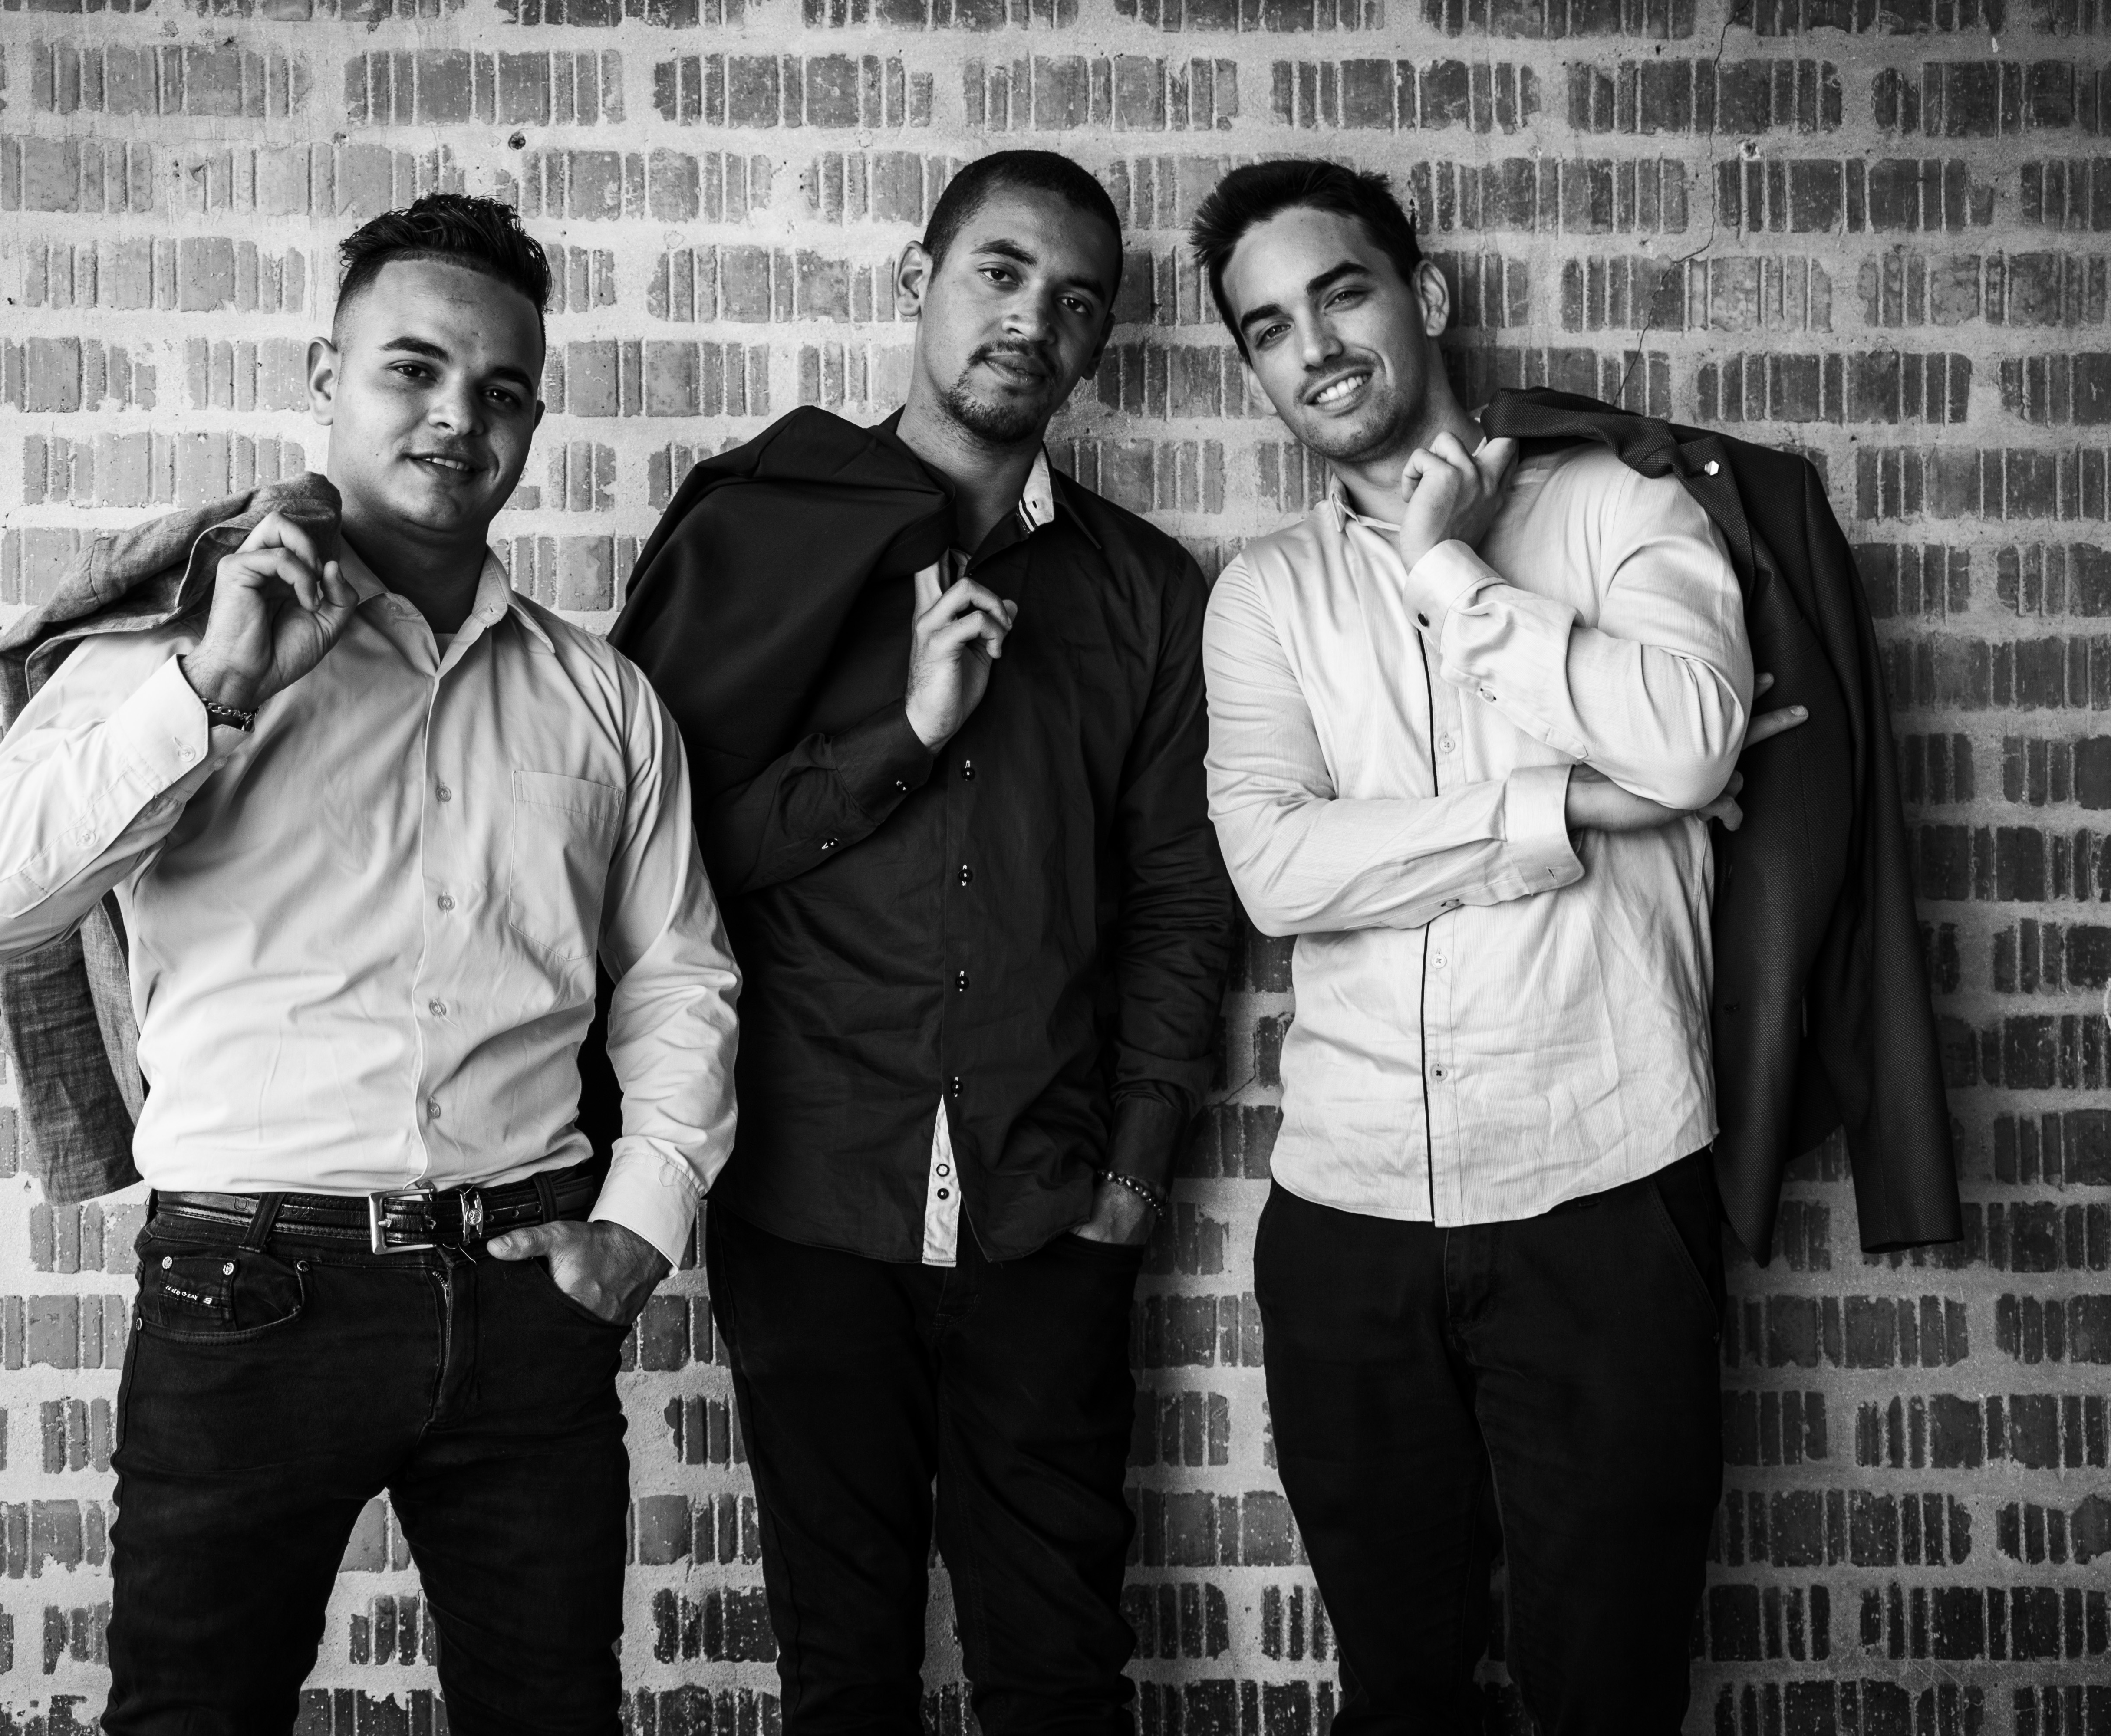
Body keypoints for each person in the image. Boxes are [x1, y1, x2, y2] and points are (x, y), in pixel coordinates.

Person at [0, 194, 739, 1736]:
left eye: (502, 391)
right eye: (413, 369)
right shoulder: (169, 650)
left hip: (524, 1294)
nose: (458, 417)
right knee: (194, 1718)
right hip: (247, 1294)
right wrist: (215, 686)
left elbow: (678, 981)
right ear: (328, 374)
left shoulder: (600, 697)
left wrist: (641, 1224)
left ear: (533, 420)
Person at [604, 150, 1235, 1735]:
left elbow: (1179, 895)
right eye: (1001, 274)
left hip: (1049, 1208)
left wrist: (1134, 1171)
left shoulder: (1143, 591)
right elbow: (671, 859)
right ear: (918, 280)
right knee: (844, 1673)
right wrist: (906, 733)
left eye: (1076, 303)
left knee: (1060, 1671)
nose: (1033, 320)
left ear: (1098, 345)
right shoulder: (769, 531)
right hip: (811, 1196)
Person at [1190, 159, 1806, 1731]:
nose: (1316, 349)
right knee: (1399, 1696)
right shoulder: (1263, 595)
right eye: (1270, 329)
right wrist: (1565, 807)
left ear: (1428, 295)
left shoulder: (1624, 508)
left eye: (1341, 295)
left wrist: (1447, 569)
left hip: (1603, 1185)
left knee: (1607, 1693)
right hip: (1350, 1218)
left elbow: (1688, 746)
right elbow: (1275, 870)